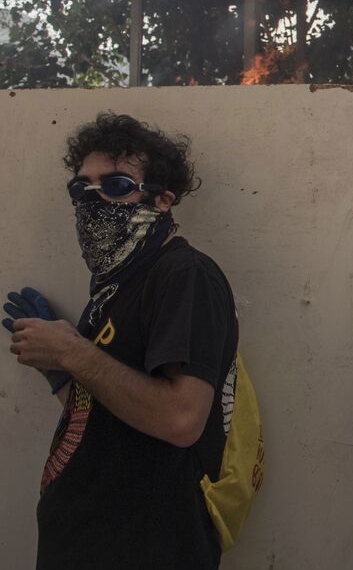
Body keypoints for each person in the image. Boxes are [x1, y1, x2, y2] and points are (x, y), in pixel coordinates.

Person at [4, 112, 244, 569]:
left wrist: (74, 351)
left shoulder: (183, 274)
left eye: (115, 186)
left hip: (146, 547)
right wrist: (58, 367)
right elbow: (106, 416)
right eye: (81, 189)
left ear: (163, 200)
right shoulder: (115, 285)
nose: (93, 201)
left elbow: (180, 419)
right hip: (83, 542)